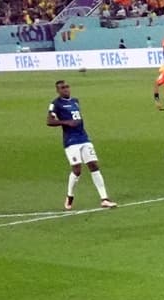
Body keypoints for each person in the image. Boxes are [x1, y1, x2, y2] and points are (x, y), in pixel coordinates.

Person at [47, 80, 117, 211]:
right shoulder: (55, 104)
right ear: (58, 90)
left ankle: (104, 199)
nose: (66, 89)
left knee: (94, 165)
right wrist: (67, 122)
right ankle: (70, 196)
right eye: (62, 88)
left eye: (67, 87)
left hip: (84, 138)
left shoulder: (75, 101)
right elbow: (49, 121)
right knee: (77, 170)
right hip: (71, 141)